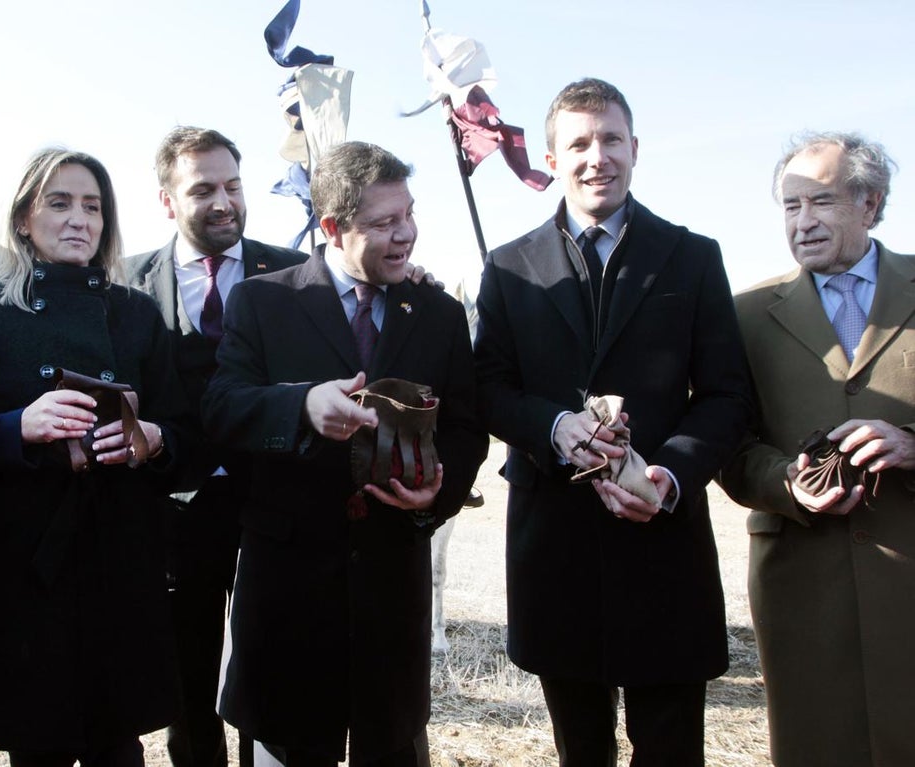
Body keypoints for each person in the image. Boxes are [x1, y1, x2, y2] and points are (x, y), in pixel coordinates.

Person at [473, 77, 752, 766]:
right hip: (556, 548)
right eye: (578, 143)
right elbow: (486, 387)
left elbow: (727, 396)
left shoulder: (693, 257)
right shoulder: (509, 268)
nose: (596, 156)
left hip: (663, 544)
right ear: (552, 157)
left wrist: (670, 473)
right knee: (581, 751)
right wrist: (550, 426)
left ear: (635, 148)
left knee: (671, 750)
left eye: (611, 139)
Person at [202, 140, 488, 767]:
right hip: (289, 604)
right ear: (330, 227)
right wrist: (301, 406)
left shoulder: (437, 313)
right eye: (384, 223)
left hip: (391, 600)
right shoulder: (263, 300)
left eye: (408, 214)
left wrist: (435, 493)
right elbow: (221, 408)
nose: (404, 234)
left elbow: (467, 429)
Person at [0, 149, 192, 766]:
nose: (80, 219)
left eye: (93, 207)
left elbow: (187, 436)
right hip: (18, 571)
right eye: (60, 202)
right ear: (23, 218)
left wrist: (153, 440)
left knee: (118, 744)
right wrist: (17, 426)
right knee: (37, 745)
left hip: (118, 561)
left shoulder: (137, 314)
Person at [718, 133, 915, 767]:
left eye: (821, 202)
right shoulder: (745, 314)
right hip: (802, 588)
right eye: (790, 206)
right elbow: (730, 444)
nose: (802, 223)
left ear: (870, 203)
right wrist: (788, 483)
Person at [125, 126, 306, 767]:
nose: (224, 201)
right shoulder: (123, 284)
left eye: (233, 184)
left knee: (274, 677)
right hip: (174, 511)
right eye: (203, 189)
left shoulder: (294, 273)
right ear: (167, 201)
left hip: (275, 506)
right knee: (188, 685)